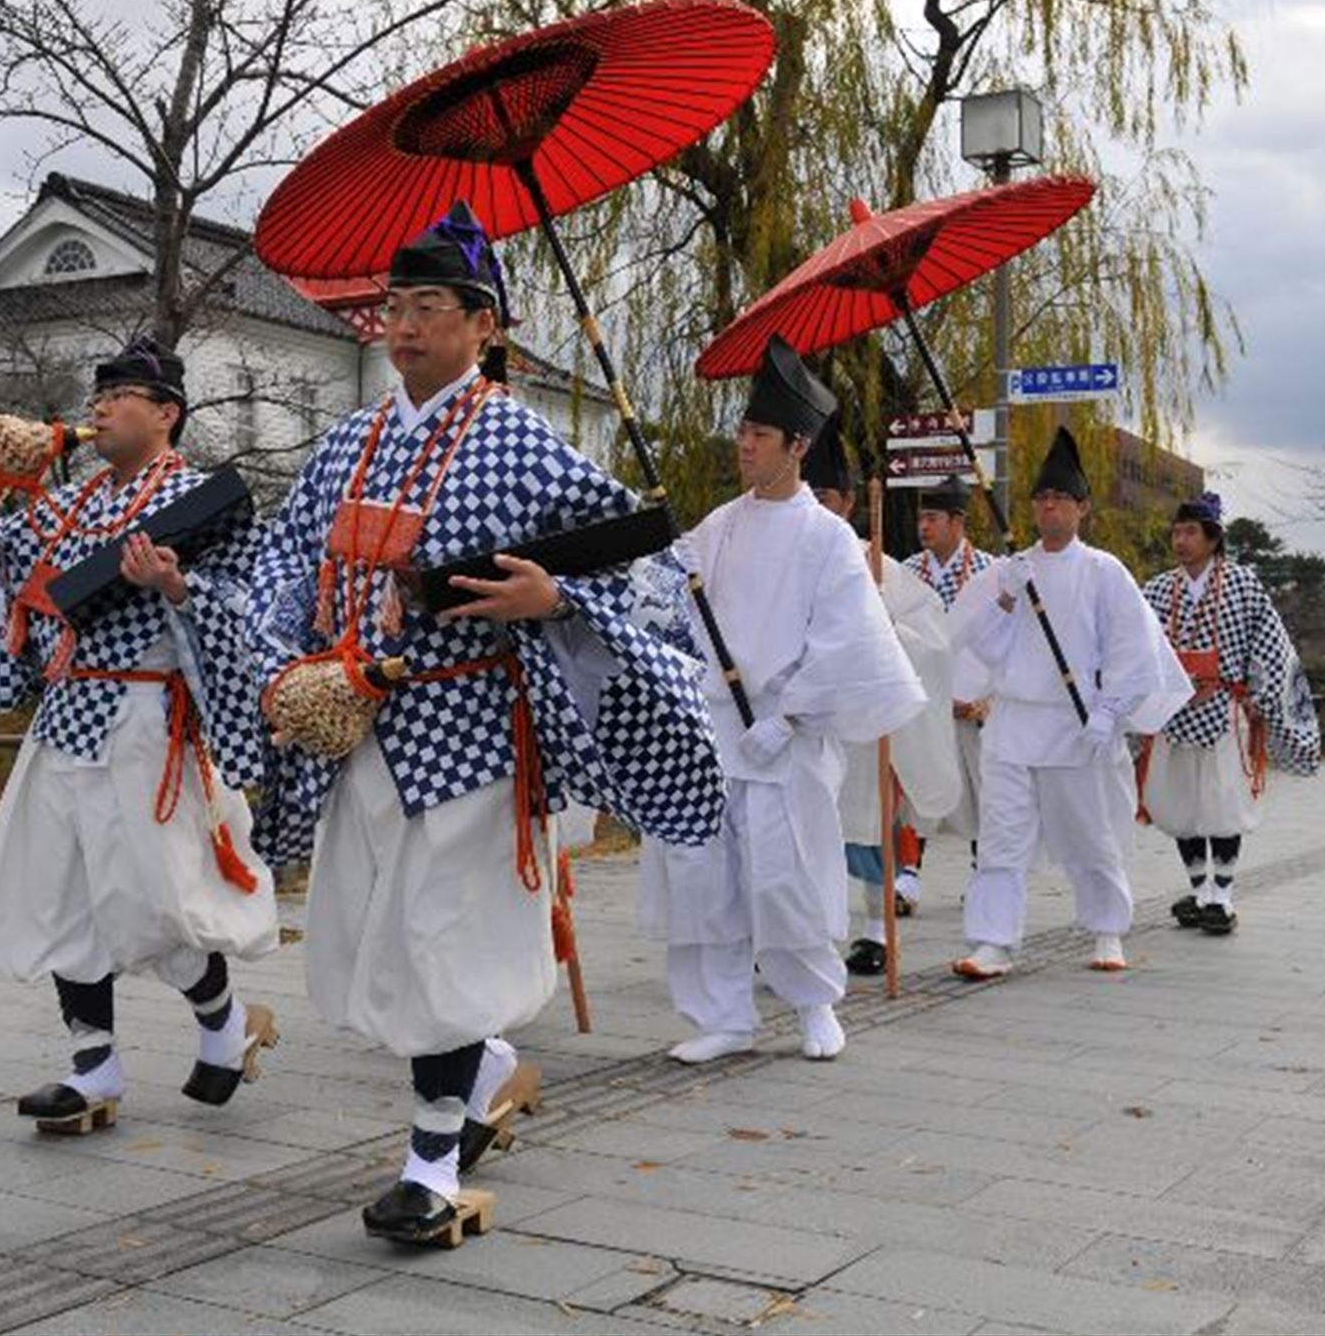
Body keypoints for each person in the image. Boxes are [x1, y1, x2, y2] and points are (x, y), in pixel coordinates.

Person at [244, 202, 721, 1244]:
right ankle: (490, 1068)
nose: (404, 326)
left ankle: (429, 1163)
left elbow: (646, 569)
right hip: (360, 728)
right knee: (379, 935)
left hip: (470, 727)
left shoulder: (518, 439)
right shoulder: (348, 443)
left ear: (483, 325)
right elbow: (281, 564)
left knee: (442, 938)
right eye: (394, 306)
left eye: (430, 306)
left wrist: (553, 598)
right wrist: (284, 667)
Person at [0, 337, 280, 1135]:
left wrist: (175, 584)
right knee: (55, 886)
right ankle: (93, 1064)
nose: (101, 407)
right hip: (65, 714)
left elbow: (247, 605)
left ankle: (225, 1021)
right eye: (98, 395)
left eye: (120, 395)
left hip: (148, 715)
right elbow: (0, 566)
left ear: (166, 413)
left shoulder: (202, 499)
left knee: (156, 898)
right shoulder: (67, 506)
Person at [637, 336, 926, 1062]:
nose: (744, 444)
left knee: (785, 875)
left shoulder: (828, 538)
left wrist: (790, 715)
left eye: (759, 434)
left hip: (784, 733)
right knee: (705, 877)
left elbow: (846, 637)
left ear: (797, 445)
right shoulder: (719, 525)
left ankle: (813, 1002)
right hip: (715, 732)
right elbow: (673, 608)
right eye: (742, 430)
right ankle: (723, 1015)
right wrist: (661, 562)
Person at [946, 425, 1191, 977]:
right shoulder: (1008, 572)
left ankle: (1107, 930)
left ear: (1082, 508)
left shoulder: (1104, 571)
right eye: (1042, 498)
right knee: (1002, 840)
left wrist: (1109, 711)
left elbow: (1130, 647)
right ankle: (993, 941)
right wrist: (1005, 597)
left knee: (1091, 834)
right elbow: (980, 650)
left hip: (1076, 724)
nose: (1049, 507)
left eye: (1060, 498)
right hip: (1013, 724)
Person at [803, 429, 960, 976]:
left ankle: (875, 929)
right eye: (807, 495)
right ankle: (801, 935)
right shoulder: (783, 560)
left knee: (865, 828)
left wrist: (889, 628)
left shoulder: (879, 567)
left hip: (860, 720)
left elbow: (932, 637)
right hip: (800, 718)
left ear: (848, 503)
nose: (814, 506)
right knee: (798, 831)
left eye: (825, 497)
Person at [1137, 492, 1322, 933]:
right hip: (1174, 711)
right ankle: (1199, 889)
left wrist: (1262, 694)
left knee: (1223, 802)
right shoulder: (1157, 589)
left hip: (1225, 708)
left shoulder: (1243, 584)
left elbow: (1271, 644)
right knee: (1179, 804)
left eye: (1190, 532)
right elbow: (1136, 646)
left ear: (1213, 538)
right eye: (1176, 532)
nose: (1180, 541)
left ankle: (1222, 895)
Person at [900, 475, 996, 913]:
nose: (924, 526)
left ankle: (982, 873)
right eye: (921, 518)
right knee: (914, 786)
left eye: (933, 518)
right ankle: (908, 874)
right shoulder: (906, 572)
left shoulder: (989, 571)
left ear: (958, 522)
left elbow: (1004, 640)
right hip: (924, 703)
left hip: (974, 706)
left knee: (983, 791)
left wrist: (986, 699)